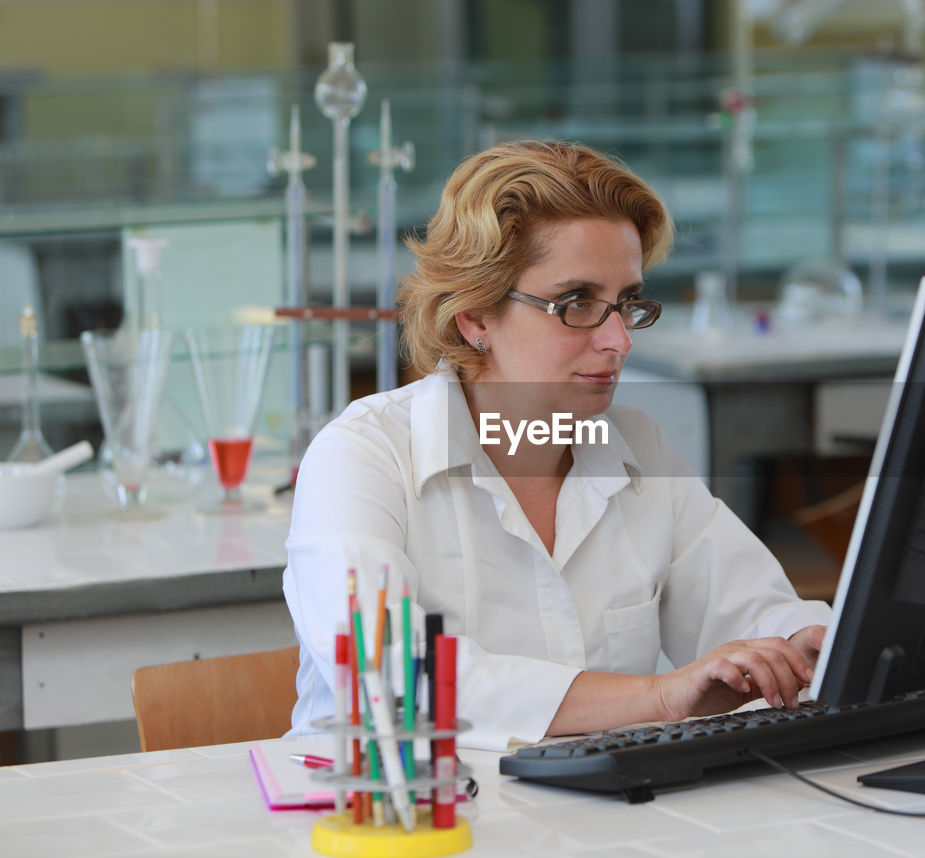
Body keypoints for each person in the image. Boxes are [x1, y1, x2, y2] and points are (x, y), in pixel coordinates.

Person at [283, 140, 831, 751]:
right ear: (475, 317)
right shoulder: (364, 455)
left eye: (625, 304)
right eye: (577, 304)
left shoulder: (639, 448)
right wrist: (657, 697)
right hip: (394, 829)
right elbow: (392, 677)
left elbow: (752, 610)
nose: (618, 340)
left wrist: (814, 642)